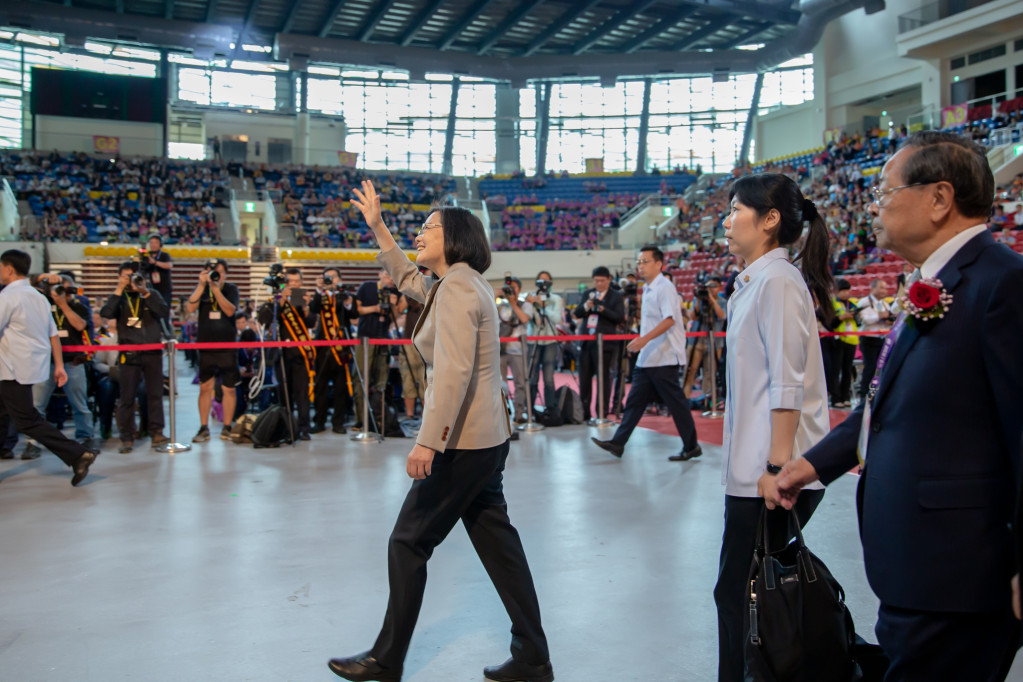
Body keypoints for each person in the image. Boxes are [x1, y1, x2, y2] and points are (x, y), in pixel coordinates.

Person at [775, 132, 1023, 681]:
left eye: (886, 193)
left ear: (939, 199)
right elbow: (888, 402)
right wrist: (812, 464)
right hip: (917, 567)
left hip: (960, 572)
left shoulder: (1002, 284)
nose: (876, 206)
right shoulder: (936, 282)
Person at [327, 181, 552, 682]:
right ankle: (534, 658)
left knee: (407, 542)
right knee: (499, 545)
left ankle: (386, 661)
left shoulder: (456, 289)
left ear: (456, 238)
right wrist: (379, 227)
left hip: (462, 442)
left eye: (429, 228)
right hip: (487, 438)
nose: (421, 234)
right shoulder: (460, 283)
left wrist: (429, 439)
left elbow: (453, 372)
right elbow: (409, 277)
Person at [712, 173, 834, 681]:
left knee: (745, 594)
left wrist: (777, 467)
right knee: (743, 591)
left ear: (770, 220)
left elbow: (787, 382)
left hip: (773, 473)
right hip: (754, 468)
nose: (726, 218)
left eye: (737, 209)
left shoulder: (779, 282)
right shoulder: (756, 280)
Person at [591, 245, 701, 462]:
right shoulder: (649, 288)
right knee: (634, 402)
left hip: (664, 355)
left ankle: (691, 445)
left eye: (645, 261)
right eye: (639, 262)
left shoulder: (665, 287)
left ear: (659, 264)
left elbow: (669, 320)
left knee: (676, 403)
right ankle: (618, 442)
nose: (640, 266)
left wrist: (643, 340)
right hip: (649, 357)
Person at [0, 249, 98, 485]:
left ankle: (77, 454)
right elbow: (53, 334)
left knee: (28, 420)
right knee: (8, 415)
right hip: (30, 367)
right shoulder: (39, 297)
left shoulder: (7, 297)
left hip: (11, 369)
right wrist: (59, 366)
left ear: (9, 269)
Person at [20, 272, 94, 458]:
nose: (60, 292)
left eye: (64, 289)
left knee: (80, 405)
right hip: (45, 363)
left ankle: (85, 437)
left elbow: (79, 326)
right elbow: (24, 285)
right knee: (36, 406)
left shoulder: (80, 305)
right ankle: (32, 442)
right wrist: (40, 278)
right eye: (57, 289)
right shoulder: (42, 303)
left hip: (73, 363)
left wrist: (63, 304)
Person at [100, 261, 170, 453]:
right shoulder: (119, 297)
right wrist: (119, 288)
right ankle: (127, 437)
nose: (131, 280)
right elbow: (106, 313)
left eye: (134, 276)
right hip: (129, 352)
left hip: (152, 351)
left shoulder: (151, 294)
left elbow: (163, 312)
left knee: (155, 394)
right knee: (127, 396)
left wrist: (145, 292)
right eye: (126, 276)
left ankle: (156, 432)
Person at [257, 268, 315, 440]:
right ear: (284, 283)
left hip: (301, 354)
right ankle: (286, 426)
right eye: (290, 281)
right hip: (281, 354)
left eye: (297, 281)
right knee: (284, 392)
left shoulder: (303, 301)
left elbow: (311, 322)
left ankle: (304, 428)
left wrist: (306, 306)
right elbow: (265, 319)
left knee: (302, 393)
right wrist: (281, 299)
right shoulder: (275, 301)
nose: (294, 284)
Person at [186, 259, 239, 442]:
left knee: (229, 389)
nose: (217, 275)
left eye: (220, 271)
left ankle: (227, 426)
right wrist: (202, 285)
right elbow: (190, 308)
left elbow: (230, 311)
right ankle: (203, 427)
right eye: (212, 271)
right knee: (205, 388)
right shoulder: (202, 289)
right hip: (206, 346)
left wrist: (216, 289)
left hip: (227, 346)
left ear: (226, 273)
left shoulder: (231, 289)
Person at [309, 267, 358, 433]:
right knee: (320, 386)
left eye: (333, 277)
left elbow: (353, 314)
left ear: (339, 279)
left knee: (340, 387)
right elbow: (314, 309)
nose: (330, 280)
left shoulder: (344, 295)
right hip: (323, 346)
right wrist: (319, 289)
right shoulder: (320, 295)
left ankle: (338, 423)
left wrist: (347, 300)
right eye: (327, 277)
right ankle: (320, 421)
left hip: (341, 347)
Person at [572, 266, 624, 421]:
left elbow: (619, 317)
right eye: (596, 281)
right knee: (584, 380)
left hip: (605, 343)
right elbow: (577, 313)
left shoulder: (616, 296)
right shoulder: (588, 293)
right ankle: (584, 413)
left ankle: (602, 412)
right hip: (587, 342)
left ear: (608, 280)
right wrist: (587, 306)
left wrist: (602, 309)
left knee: (604, 380)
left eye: (602, 280)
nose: (599, 284)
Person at [354, 269, 399, 431]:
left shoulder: (394, 292)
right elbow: (357, 310)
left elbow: (395, 317)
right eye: (388, 275)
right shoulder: (367, 287)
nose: (390, 279)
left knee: (381, 380)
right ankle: (360, 419)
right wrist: (375, 308)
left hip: (383, 338)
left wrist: (393, 304)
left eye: (393, 277)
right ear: (380, 274)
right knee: (361, 378)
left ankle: (379, 417)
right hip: (365, 338)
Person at [525, 271, 564, 418]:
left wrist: (542, 306)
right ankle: (530, 410)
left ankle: (551, 409)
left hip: (550, 341)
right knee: (532, 376)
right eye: (541, 281)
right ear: (536, 283)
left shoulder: (556, 299)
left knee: (548, 377)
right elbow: (532, 320)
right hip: (534, 340)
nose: (543, 285)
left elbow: (556, 318)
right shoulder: (531, 297)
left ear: (551, 283)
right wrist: (533, 304)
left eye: (546, 282)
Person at [681, 276, 726, 399]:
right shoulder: (699, 299)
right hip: (697, 340)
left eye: (714, 286)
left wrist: (712, 300)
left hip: (715, 341)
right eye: (709, 286)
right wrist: (699, 301)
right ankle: (685, 398)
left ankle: (707, 401)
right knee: (691, 370)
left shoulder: (722, 301)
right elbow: (693, 317)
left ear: (719, 287)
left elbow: (722, 316)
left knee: (710, 372)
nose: (711, 289)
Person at [498, 276, 533, 423]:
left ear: (519, 289)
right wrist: (495, 294)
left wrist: (513, 303)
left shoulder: (526, 305)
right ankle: (501, 414)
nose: (511, 291)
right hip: (500, 349)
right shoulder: (501, 306)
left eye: (513, 288)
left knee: (520, 383)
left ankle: (519, 413)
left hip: (518, 350)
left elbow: (524, 319)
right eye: (508, 288)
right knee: (499, 384)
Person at [855, 278, 893, 402]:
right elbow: (865, 319)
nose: (884, 291)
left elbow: (889, 320)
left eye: (886, 288)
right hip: (868, 339)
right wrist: (881, 315)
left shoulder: (885, 304)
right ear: (873, 288)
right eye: (882, 287)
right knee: (870, 367)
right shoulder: (864, 302)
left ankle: (878, 394)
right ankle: (864, 395)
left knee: (881, 368)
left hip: (882, 339)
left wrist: (888, 319)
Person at [828, 278, 858, 408]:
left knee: (848, 369)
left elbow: (859, 321)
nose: (846, 293)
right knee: (836, 369)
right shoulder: (832, 304)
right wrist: (842, 318)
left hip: (851, 339)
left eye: (848, 290)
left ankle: (846, 396)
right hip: (838, 340)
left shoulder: (852, 304)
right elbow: (830, 323)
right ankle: (836, 398)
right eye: (843, 291)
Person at [395, 296, 425, 420]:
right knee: (408, 380)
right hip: (408, 342)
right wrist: (409, 295)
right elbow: (400, 309)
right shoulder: (407, 294)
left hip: (425, 342)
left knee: (425, 381)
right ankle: (410, 415)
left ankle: (426, 416)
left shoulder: (429, 291)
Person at [141, 234, 173, 314]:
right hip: (152, 289)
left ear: (160, 244)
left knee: (165, 311)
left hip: (165, 289)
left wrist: (155, 262)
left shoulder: (164, 255)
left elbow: (169, 265)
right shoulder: (147, 256)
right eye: (151, 243)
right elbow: (143, 270)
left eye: (156, 243)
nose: (153, 245)